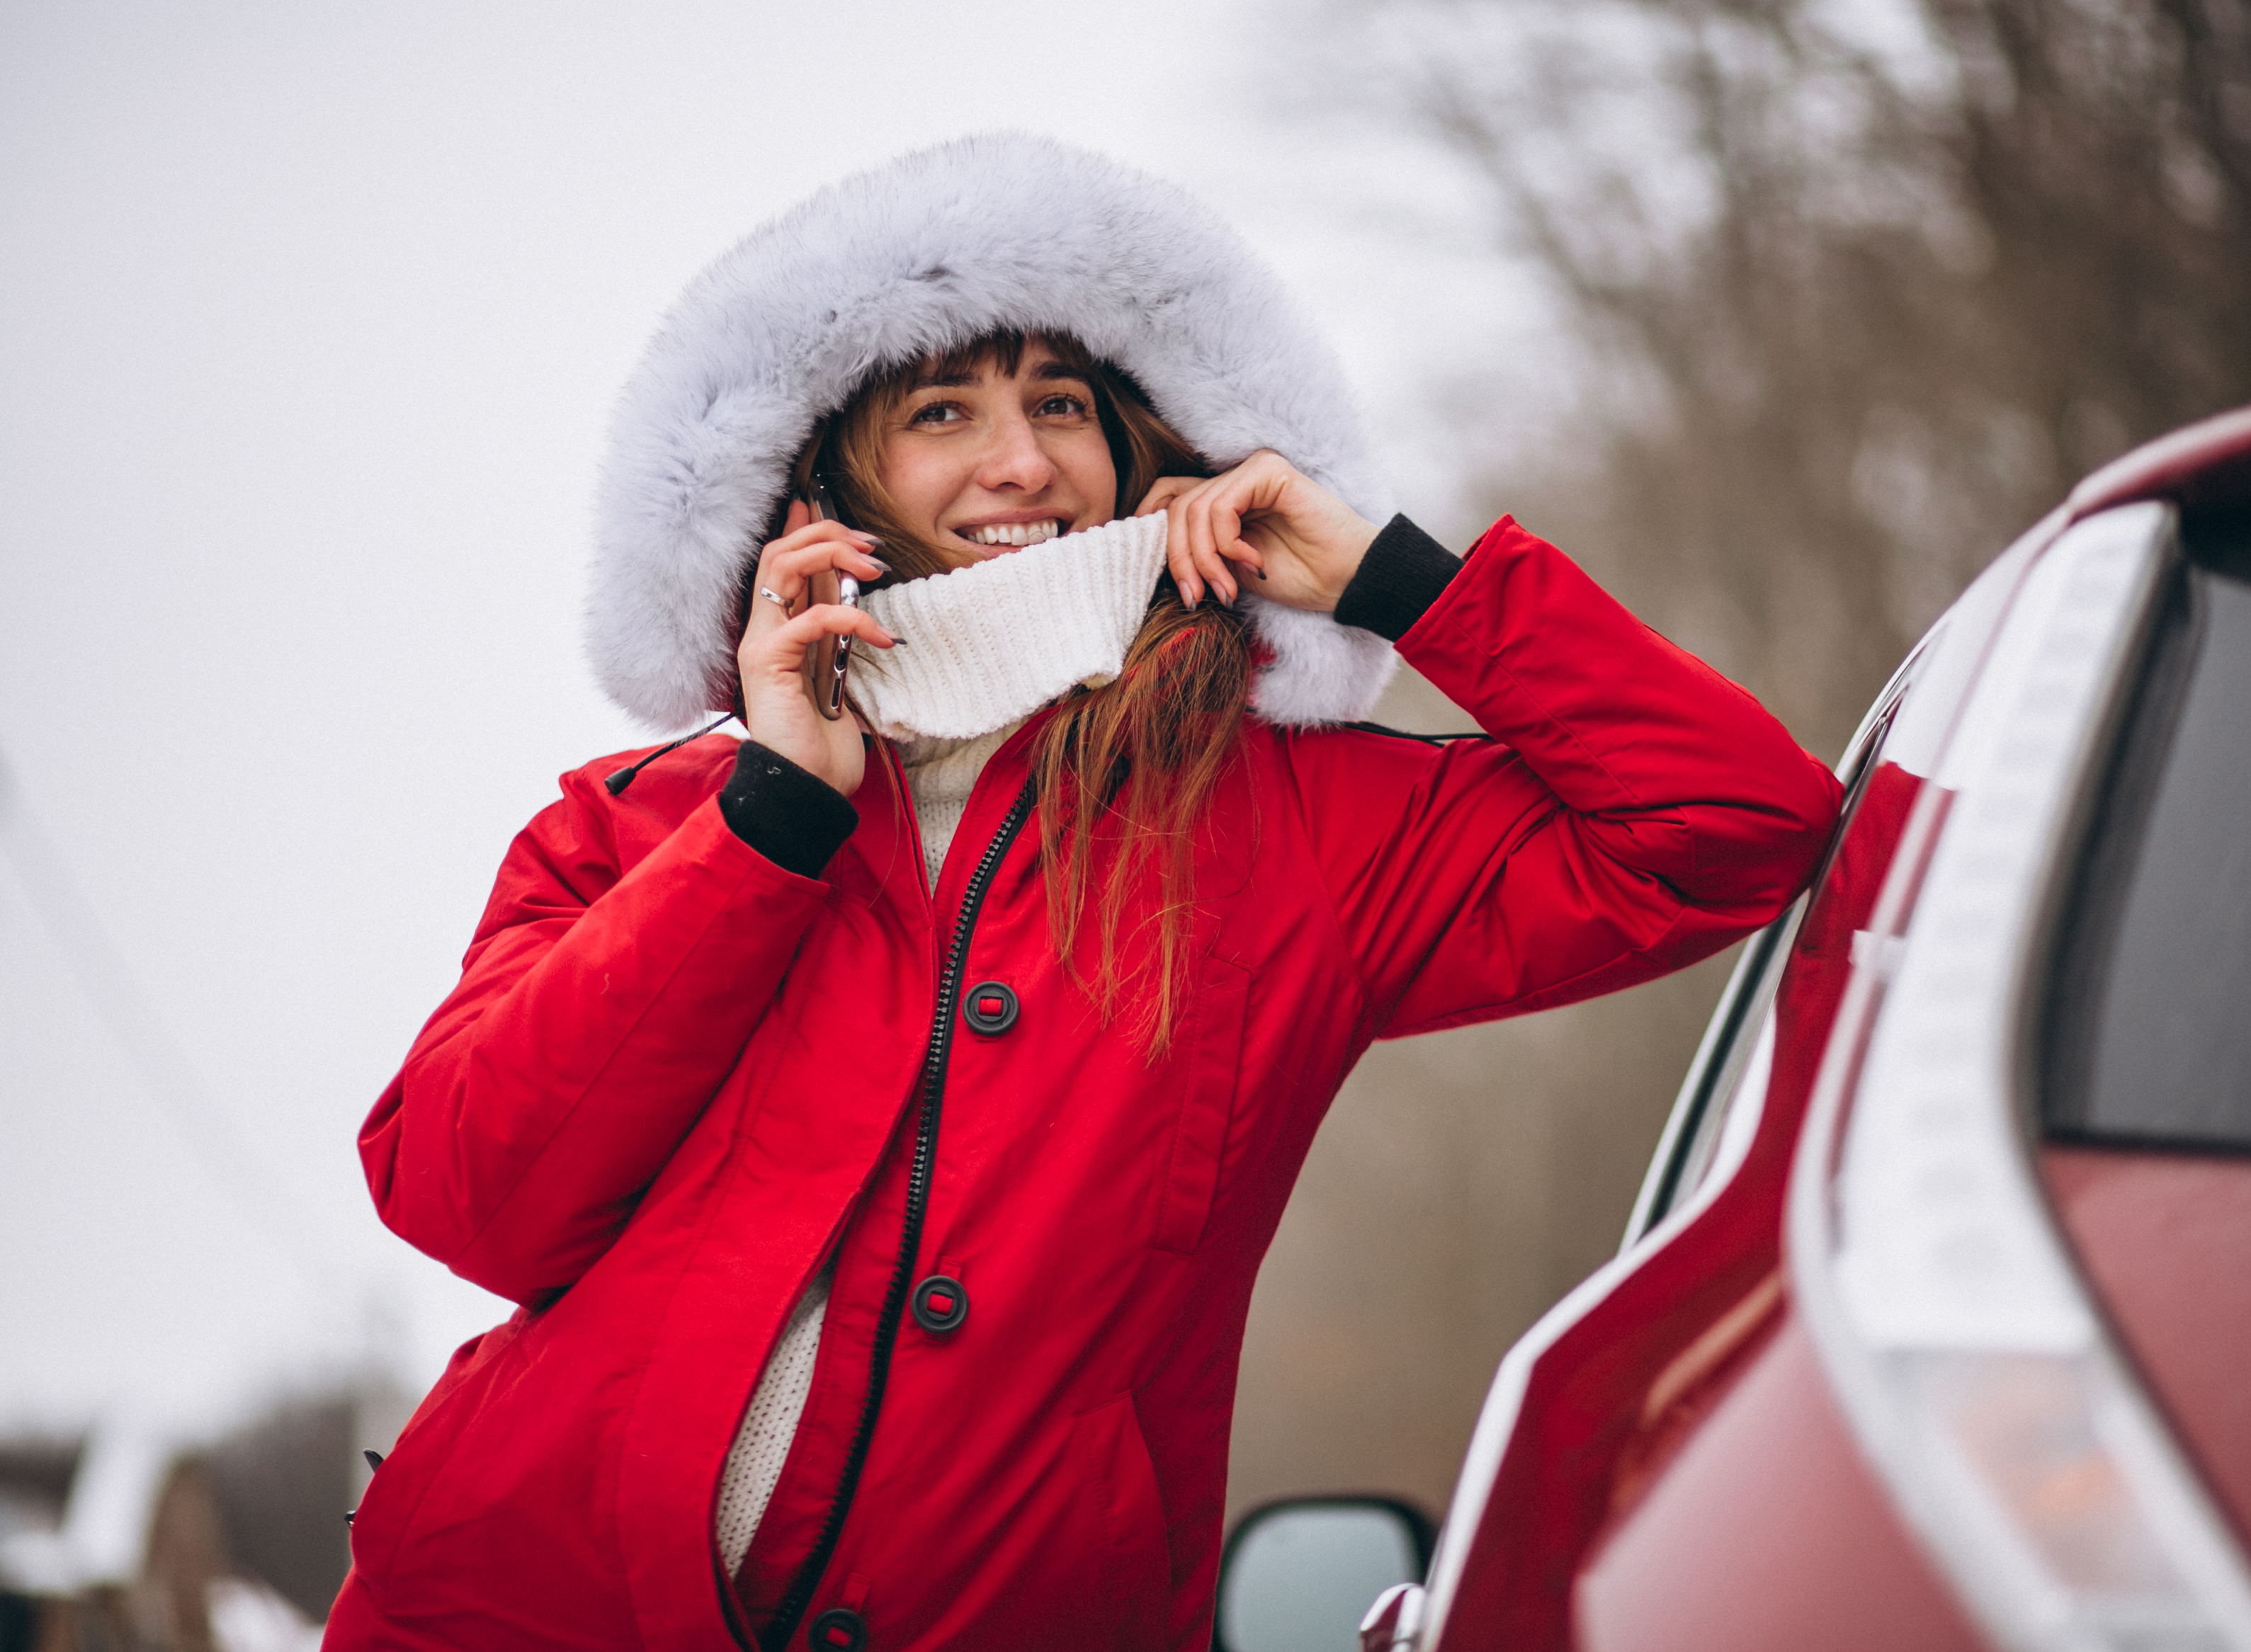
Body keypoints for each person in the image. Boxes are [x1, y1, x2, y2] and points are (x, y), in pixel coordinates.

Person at [332, 136, 1840, 1652]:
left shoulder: (1297, 829)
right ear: (819, 484)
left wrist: (1394, 578)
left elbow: (1734, 829)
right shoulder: (639, 826)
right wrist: (772, 818)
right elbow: (469, 1201)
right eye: (941, 410)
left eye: (1063, 402)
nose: (1022, 462)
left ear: (1145, 446)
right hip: (508, 1612)